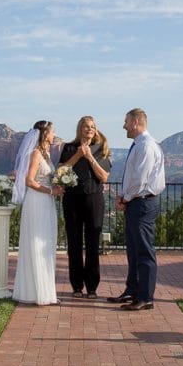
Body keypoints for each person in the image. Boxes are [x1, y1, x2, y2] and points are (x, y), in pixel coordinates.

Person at [108, 108, 166, 311]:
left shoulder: (147, 146)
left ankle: (145, 297)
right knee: (133, 251)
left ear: (135, 122)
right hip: (136, 202)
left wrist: (124, 197)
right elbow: (133, 178)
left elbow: (140, 180)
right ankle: (132, 291)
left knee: (144, 251)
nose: (123, 126)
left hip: (143, 203)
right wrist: (125, 197)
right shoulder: (138, 145)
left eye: (126, 122)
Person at [11, 120, 64, 306]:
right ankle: (36, 292)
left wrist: (56, 186)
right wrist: (51, 191)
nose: (54, 134)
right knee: (36, 243)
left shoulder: (46, 154)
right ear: (44, 134)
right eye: (52, 132)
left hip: (46, 202)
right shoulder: (35, 154)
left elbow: (45, 178)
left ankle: (44, 291)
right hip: (36, 202)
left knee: (46, 245)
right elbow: (29, 180)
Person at [59, 116, 112, 299]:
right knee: (74, 243)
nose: (89, 129)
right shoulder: (68, 148)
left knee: (92, 244)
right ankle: (76, 286)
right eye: (86, 126)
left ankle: (92, 287)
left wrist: (89, 157)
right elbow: (60, 171)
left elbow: (104, 177)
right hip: (72, 199)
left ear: (95, 130)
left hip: (93, 199)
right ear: (80, 128)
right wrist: (78, 155)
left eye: (93, 127)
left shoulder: (102, 149)